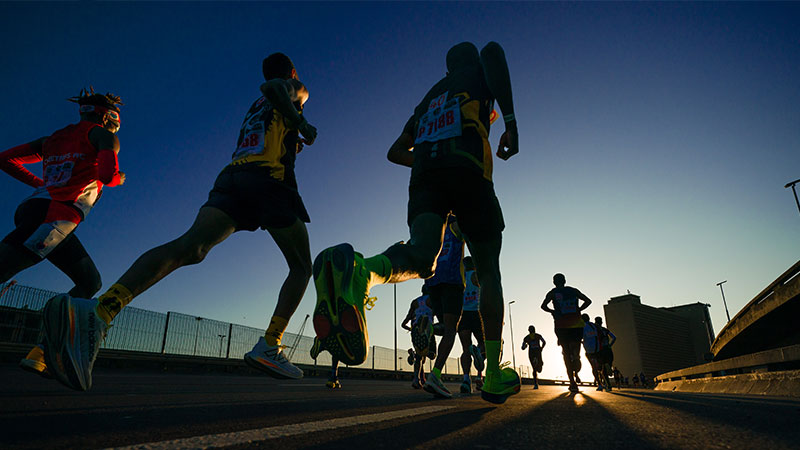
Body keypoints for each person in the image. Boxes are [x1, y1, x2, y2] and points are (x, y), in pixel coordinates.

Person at [40, 53, 318, 391]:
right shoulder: (291, 86)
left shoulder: (257, 107)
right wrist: (300, 121)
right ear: (292, 72)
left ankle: (100, 314)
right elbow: (275, 86)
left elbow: (269, 122)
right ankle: (270, 345)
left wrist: (293, 138)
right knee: (302, 266)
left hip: (233, 178)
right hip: (269, 181)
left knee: (191, 248)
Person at [311, 41, 519, 404]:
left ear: (445, 69)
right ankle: (495, 373)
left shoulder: (427, 100)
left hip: (425, 177)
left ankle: (364, 271)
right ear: (468, 64)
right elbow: (493, 51)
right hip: (468, 170)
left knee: (423, 256)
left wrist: (427, 159)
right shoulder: (478, 73)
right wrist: (512, 123)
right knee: (488, 271)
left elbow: (395, 152)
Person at [0, 87, 125, 378]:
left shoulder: (51, 139)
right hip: (56, 217)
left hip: (36, 208)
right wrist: (118, 177)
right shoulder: (104, 137)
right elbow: (108, 175)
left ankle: (42, 353)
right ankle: (45, 349)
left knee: (89, 280)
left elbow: (5, 159)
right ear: (109, 117)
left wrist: (39, 187)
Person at [419, 214, 465, 398]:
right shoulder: (456, 225)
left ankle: (429, 328)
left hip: (433, 283)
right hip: (452, 281)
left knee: (445, 327)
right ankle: (435, 375)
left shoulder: (433, 229)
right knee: (451, 331)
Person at [541, 273, 592, 393]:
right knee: (576, 347)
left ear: (554, 282)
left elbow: (543, 306)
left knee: (565, 354)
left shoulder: (552, 293)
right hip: (576, 324)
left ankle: (572, 383)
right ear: (565, 281)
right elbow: (588, 301)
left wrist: (552, 311)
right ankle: (576, 356)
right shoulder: (574, 291)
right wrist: (579, 309)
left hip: (561, 325)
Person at [458, 256, 485, 394]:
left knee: (465, 349)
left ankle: (466, 380)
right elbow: (487, 292)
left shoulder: (459, 278)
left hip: (463, 316)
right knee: (483, 344)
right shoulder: (477, 275)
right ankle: (479, 376)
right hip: (477, 314)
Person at [401, 287, 436, 389]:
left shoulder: (415, 302)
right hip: (428, 329)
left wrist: (410, 329)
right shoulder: (432, 300)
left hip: (415, 329)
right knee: (432, 354)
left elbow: (403, 323)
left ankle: (417, 379)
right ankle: (418, 355)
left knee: (420, 356)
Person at [581, 313, 606, 391]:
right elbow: (602, 335)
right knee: (599, 366)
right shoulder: (595, 326)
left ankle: (599, 384)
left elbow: (579, 337)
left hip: (589, 351)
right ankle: (604, 381)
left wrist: (583, 342)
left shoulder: (582, 327)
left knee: (594, 367)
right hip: (598, 349)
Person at [594, 316, 616, 391]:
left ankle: (608, 385)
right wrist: (610, 345)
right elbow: (614, 337)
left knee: (602, 369)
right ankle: (609, 371)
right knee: (607, 366)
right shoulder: (605, 330)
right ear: (602, 322)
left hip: (601, 350)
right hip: (608, 349)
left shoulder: (595, 330)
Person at [521, 325, 546, 389]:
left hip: (533, 353)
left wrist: (525, 346)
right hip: (537, 353)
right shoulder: (537, 336)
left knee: (535, 369)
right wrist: (541, 348)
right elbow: (544, 342)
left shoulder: (527, 338)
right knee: (536, 369)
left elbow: (522, 348)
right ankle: (535, 383)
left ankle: (535, 384)